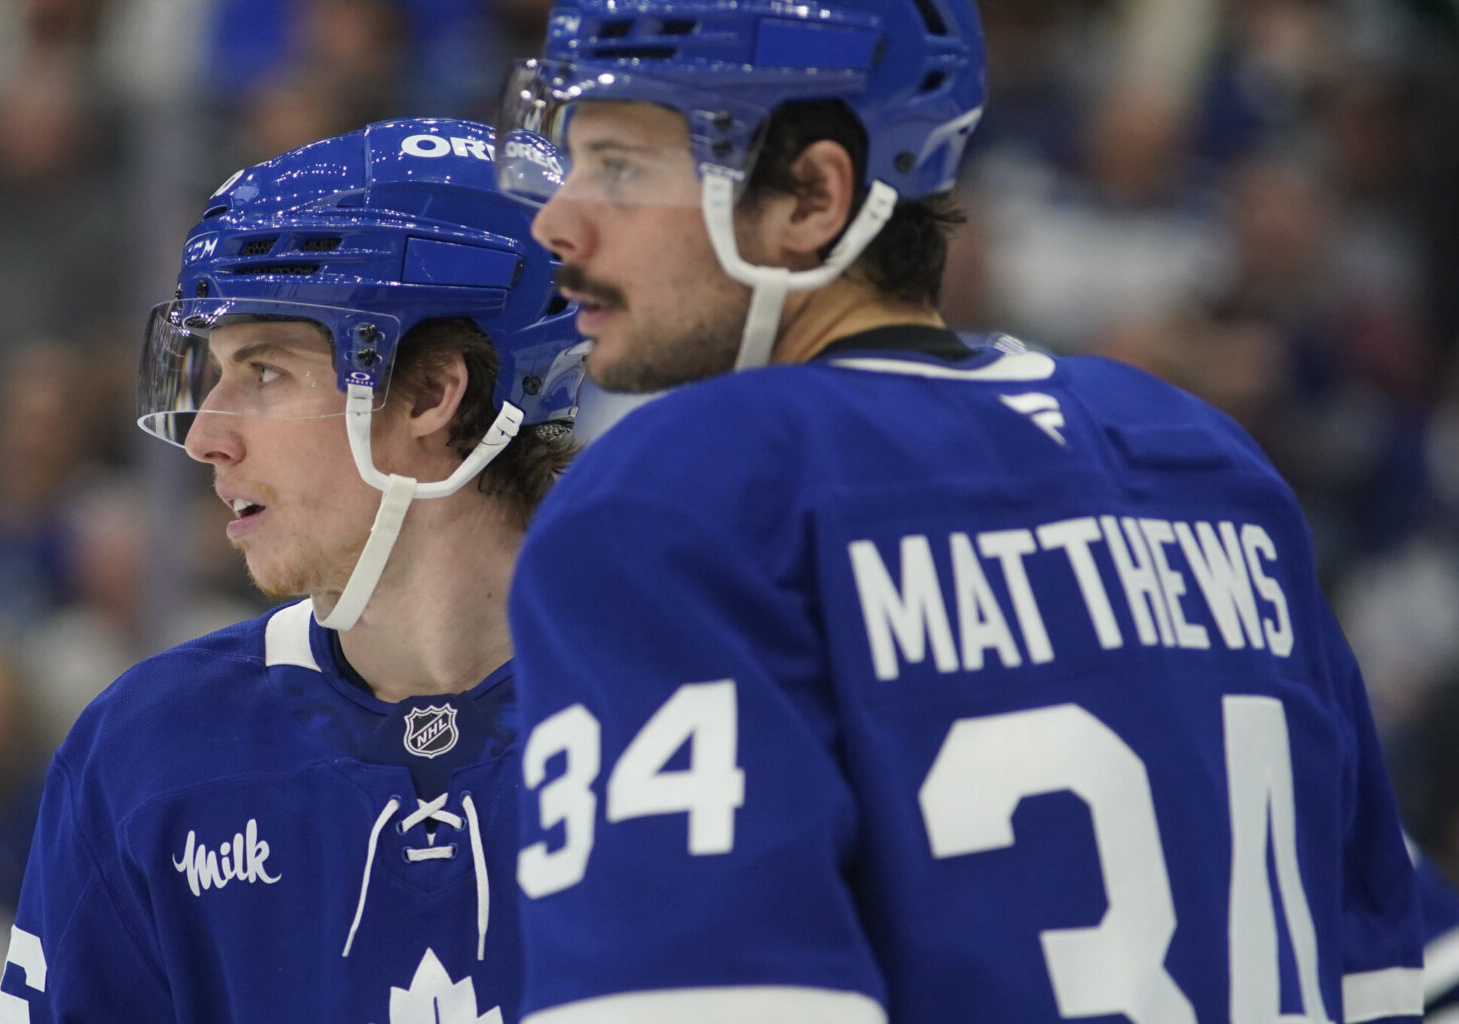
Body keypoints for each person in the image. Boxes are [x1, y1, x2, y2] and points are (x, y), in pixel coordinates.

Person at [489, 2, 1424, 1021]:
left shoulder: (680, 495)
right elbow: (1405, 974)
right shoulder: (1204, 461)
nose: (557, 222)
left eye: (621, 168)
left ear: (809, 195)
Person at [0, 117, 585, 1023]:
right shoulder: (147, 755)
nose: (206, 437)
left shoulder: (689, 717)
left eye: (265, 372)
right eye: (214, 372)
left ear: (434, 392)